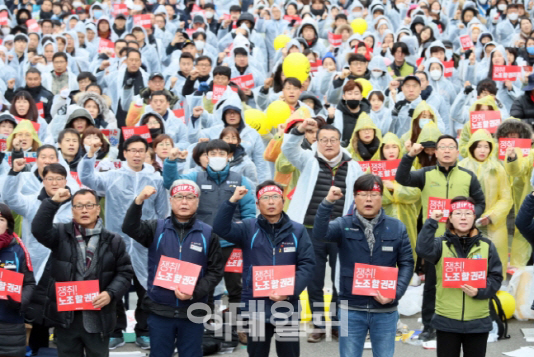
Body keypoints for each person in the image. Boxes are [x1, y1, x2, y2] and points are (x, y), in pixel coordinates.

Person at [79, 135, 169, 350]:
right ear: (125, 153)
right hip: (115, 241)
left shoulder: (155, 179)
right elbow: (87, 178)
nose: (137, 154)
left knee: (146, 287)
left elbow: (162, 212)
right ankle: (114, 331)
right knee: (112, 287)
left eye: (141, 150)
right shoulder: (112, 176)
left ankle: (144, 331)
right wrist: (90, 154)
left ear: (147, 153)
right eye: (133, 150)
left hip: (144, 243)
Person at [395, 135, 486, 342]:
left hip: (462, 240)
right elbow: (402, 178)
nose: (446, 150)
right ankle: (429, 325)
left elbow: (480, 202)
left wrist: (468, 217)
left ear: (457, 151)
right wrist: (409, 156)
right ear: (435, 152)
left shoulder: (467, 176)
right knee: (432, 286)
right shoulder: (426, 174)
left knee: (462, 282)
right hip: (435, 241)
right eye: (442, 147)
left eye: (451, 147)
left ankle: (462, 322)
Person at [312, 175, 414, 357]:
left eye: (374, 194)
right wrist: (327, 203)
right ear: (354, 197)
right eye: (363, 194)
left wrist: (394, 294)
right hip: (351, 309)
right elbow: (320, 234)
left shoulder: (397, 227)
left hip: (385, 310)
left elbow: (407, 263)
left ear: (381, 197)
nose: (368, 199)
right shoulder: (343, 225)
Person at [281, 119, 364, 342]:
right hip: (310, 230)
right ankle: (318, 323)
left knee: (341, 277)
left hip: (341, 231)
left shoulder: (354, 166)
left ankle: (337, 322)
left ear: (340, 142)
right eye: (323, 140)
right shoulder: (308, 160)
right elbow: (288, 148)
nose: (328, 144)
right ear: (316, 142)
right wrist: (299, 130)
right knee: (314, 279)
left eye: (333, 140)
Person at [213, 180, 315, 357]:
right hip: (256, 305)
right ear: (258, 204)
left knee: (289, 353)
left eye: (275, 197)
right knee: (257, 353)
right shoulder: (247, 228)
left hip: (287, 304)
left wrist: (289, 292)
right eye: (265, 198)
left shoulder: (298, 230)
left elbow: (307, 264)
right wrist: (233, 200)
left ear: (283, 202)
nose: (271, 202)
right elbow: (220, 228)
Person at [121, 181, 224, 357]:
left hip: (193, 311)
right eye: (179, 197)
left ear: (197, 201)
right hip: (160, 310)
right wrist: (138, 201)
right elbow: (129, 227)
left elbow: (215, 271)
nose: (184, 202)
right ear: (171, 200)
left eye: (190, 197)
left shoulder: (208, 233)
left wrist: (194, 292)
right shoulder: (155, 228)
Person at [31, 188, 134, 357]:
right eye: (78, 206)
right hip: (67, 317)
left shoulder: (113, 240)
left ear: (98, 208)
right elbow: (38, 229)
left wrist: (110, 293)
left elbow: (125, 272)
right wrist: (52, 202)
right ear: (72, 210)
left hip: (98, 316)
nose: (84, 210)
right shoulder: (60, 234)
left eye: (89, 205)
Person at [417, 197, 503, 357]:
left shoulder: (486, 245)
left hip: (478, 322)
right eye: (458, 213)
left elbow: (496, 277)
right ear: (449, 218)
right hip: (446, 321)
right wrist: (431, 222)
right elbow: (422, 250)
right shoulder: (440, 245)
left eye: (468, 213)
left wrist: (480, 291)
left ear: (474, 217)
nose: (463, 217)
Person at [459, 129, 513, 277]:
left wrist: (491, 216)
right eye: (479, 146)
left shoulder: (497, 169)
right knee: (470, 264)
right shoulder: (462, 167)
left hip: (494, 225)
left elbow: (506, 198)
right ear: (471, 147)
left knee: (494, 262)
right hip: (466, 224)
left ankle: (495, 291)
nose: (482, 150)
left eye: (486, 146)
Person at [0, 203, 35, 357]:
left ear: (8, 224)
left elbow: (29, 283)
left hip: (10, 324)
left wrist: (21, 301)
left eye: (1, 219)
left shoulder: (19, 249)